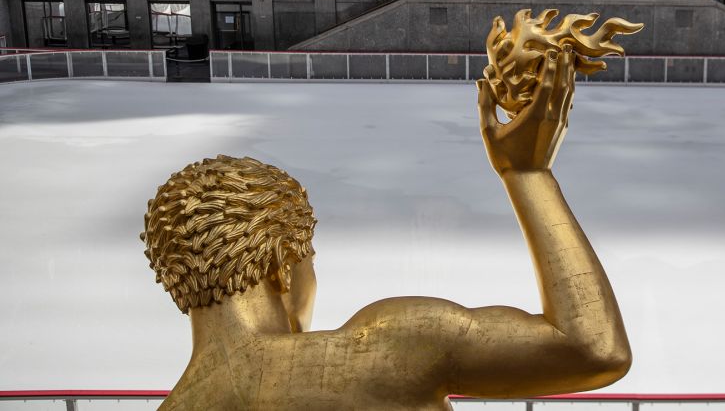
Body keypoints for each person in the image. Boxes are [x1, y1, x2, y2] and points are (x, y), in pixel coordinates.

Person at [141, 47, 630, 410]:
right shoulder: (385, 350)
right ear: (279, 264)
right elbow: (591, 347)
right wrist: (528, 174)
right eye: (307, 258)